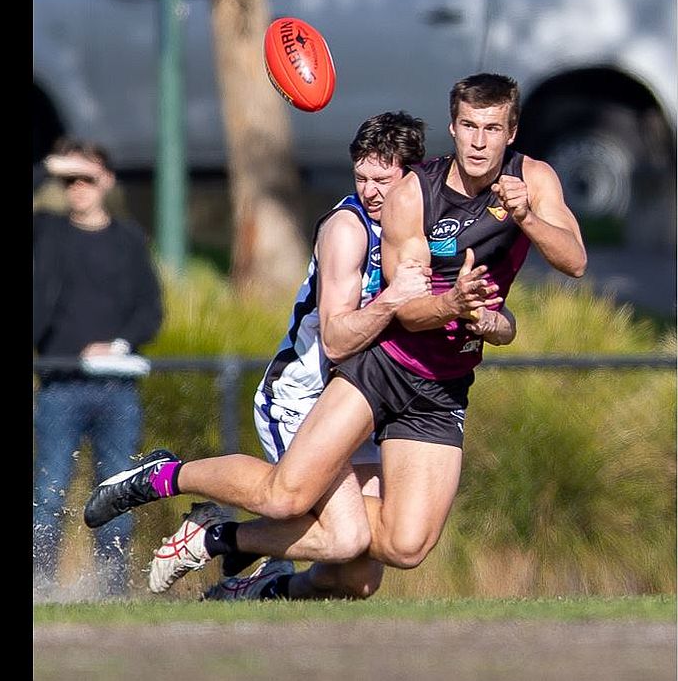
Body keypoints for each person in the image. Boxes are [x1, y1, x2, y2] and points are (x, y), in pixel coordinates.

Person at [85, 73, 586, 581]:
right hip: (371, 369)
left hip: (442, 385)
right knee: (298, 505)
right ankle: (168, 478)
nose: (479, 141)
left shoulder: (533, 180)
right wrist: (454, 305)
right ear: (453, 128)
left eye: (492, 128)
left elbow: (575, 261)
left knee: (394, 550)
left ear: (512, 131)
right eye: (469, 126)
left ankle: (233, 552)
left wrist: (526, 220)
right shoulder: (403, 201)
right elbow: (395, 317)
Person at [154, 112, 508, 601]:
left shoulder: (431, 225)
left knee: (358, 577)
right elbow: (337, 342)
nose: (371, 192)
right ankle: (171, 485)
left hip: (365, 403)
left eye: (383, 180)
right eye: (361, 178)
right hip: (306, 396)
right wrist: (394, 299)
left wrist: (486, 317)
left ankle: (263, 588)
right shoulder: (348, 228)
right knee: (333, 528)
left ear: (413, 178)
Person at [32, 138, 163, 596]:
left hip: (116, 390)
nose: (77, 188)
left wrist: (119, 345)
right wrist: (52, 164)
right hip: (60, 386)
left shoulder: (129, 240)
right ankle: (41, 587)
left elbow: (151, 311)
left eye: (86, 178)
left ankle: (112, 588)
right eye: (69, 180)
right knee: (48, 494)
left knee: (116, 495)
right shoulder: (49, 233)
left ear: (107, 180)